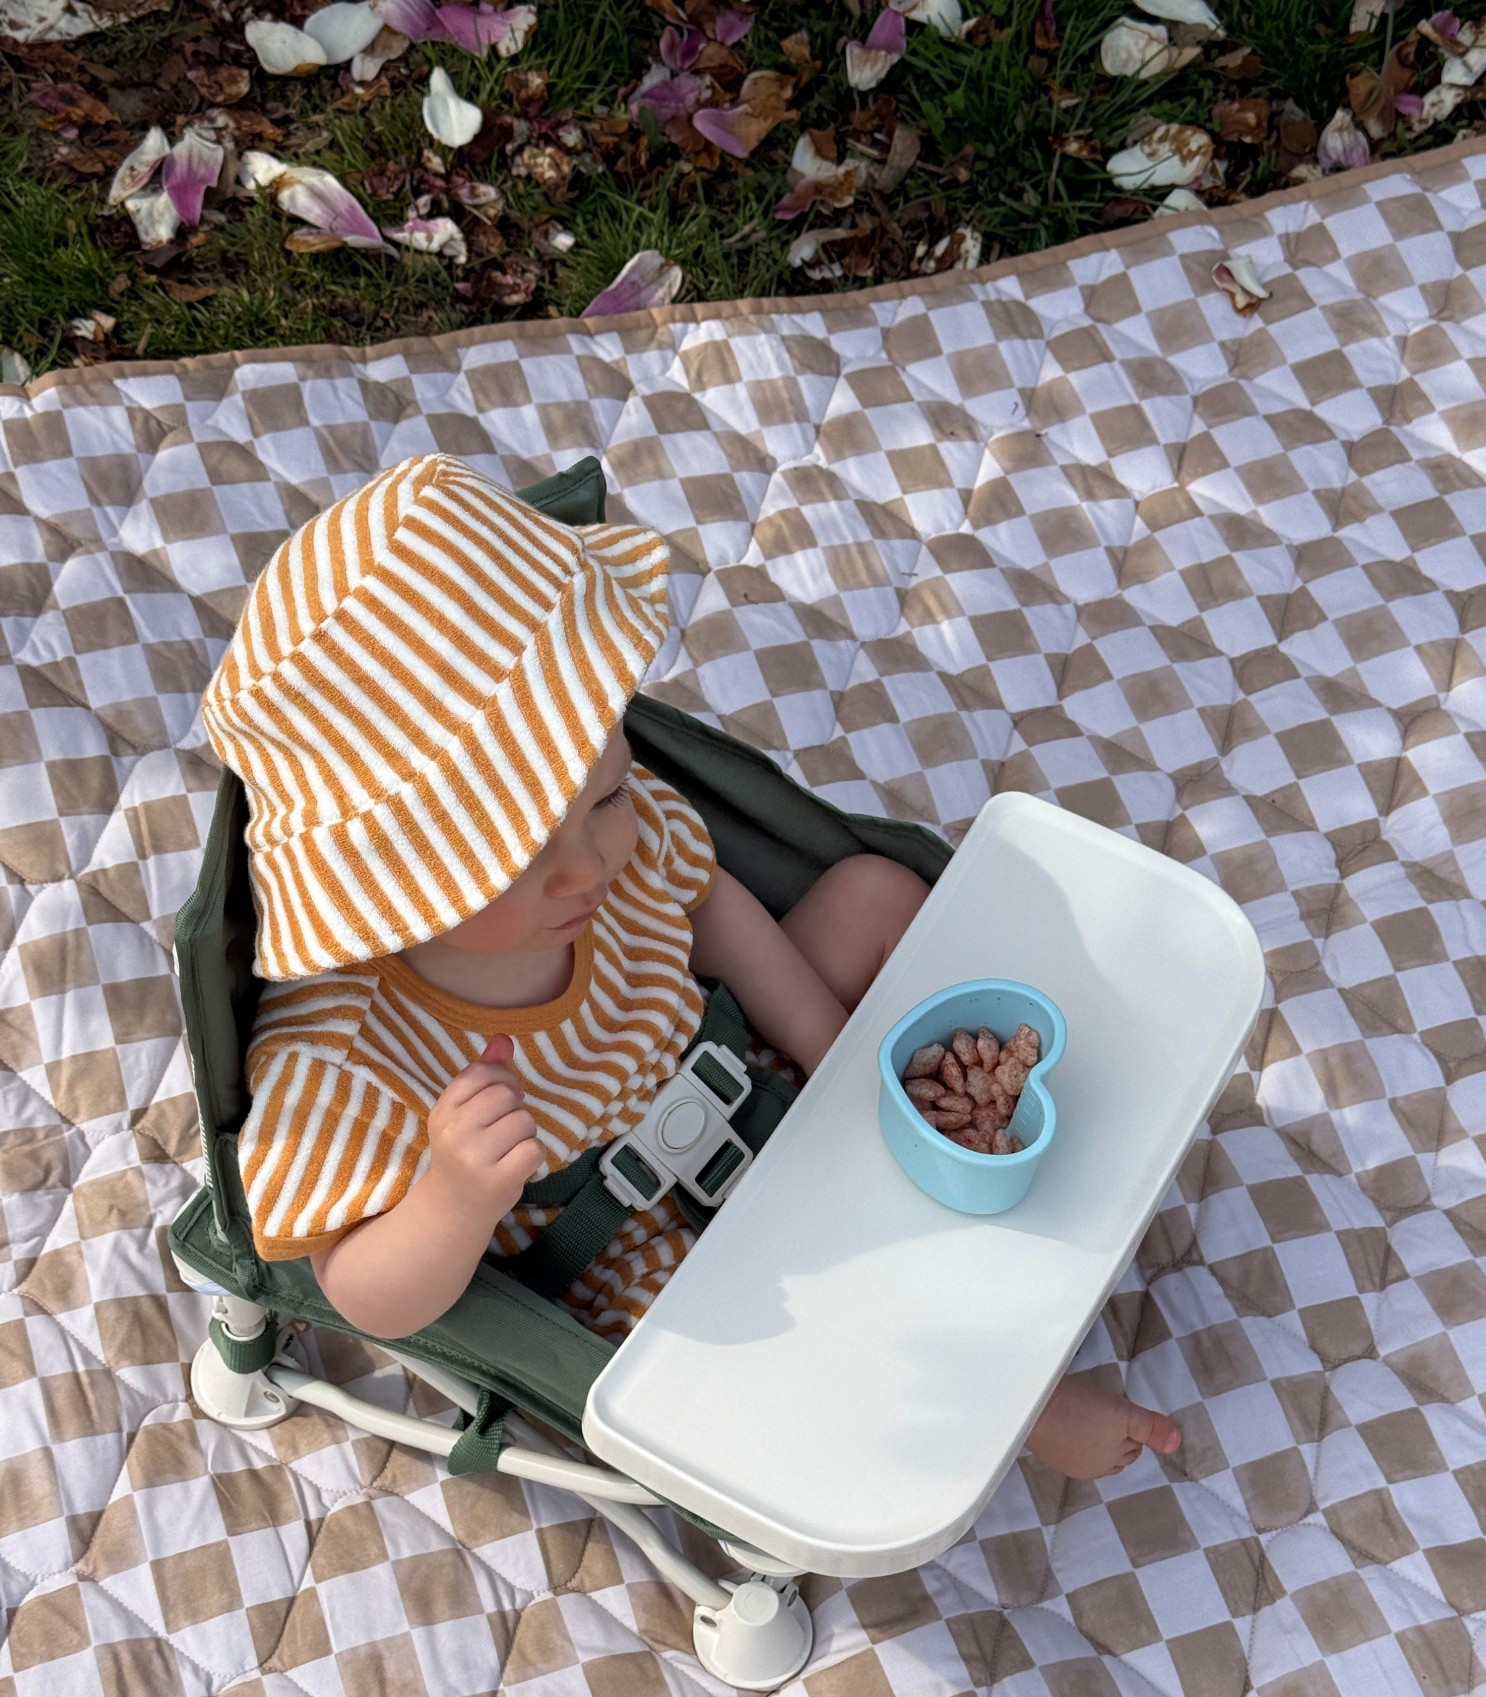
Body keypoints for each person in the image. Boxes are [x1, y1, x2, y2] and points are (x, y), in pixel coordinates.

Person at [202, 453, 1180, 1483]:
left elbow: (707, 909)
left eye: (610, 795)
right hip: (634, 1243)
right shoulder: (344, 1056)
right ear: (394, 875)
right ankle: (1015, 1408)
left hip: (724, 1058)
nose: (591, 861)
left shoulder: (601, 850)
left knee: (873, 900)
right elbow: (356, 1289)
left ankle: (1016, 1140)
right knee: (803, 1353)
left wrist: (833, 1055)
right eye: (527, 852)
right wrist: (450, 1198)